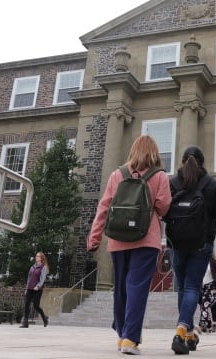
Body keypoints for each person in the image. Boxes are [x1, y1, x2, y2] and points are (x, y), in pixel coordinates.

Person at [87, 135, 171, 355]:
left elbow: (104, 207)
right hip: (147, 239)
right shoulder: (160, 176)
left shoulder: (117, 174)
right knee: (137, 287)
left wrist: (94, 237)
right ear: (154, 152)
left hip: (118, 239)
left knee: (121, 288)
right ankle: (130, 339)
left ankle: (123, 334)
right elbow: (163, 207)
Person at [168, 145, 216, 355]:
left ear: (183, 161)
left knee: (182, 288)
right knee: (192, 287)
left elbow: (165, 212)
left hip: (176, 244)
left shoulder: (172, 183)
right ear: (202, 162)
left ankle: (188, 333)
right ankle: (182, 331)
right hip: (202, 244)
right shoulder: (212, 185)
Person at [20, 251, 49, 328]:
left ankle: (44, 317)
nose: (36, 257)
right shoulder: (32, 267)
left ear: (41, 258)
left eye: (38, 256)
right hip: (30, 288)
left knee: (36, 305)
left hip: (37, 289)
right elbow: (29, 278)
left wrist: (38, 286)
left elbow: (42, 279)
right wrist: (27, 288)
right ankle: (25, 323)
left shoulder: (43, 267)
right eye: (36, 256)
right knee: (26, 304)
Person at [198, 252, 216, 333]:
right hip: (202, 287)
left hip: (211, 286)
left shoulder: (213, 262)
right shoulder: (199, 262)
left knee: (205, 305)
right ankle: (208, 325)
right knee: (202, 306)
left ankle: (202, 324)